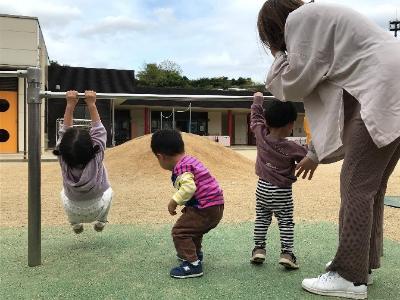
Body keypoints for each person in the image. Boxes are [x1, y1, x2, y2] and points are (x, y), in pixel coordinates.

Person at [257, 0, 400, 299]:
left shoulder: (299, 21)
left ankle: (348, 275)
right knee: (371, 188)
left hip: (383, 86)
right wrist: (316, 152)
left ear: (274, 27)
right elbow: (334, 92)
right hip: (389, 83)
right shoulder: (322, 20)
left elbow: (293, 85)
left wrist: (278, 55)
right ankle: (363, 265)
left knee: (356, 186)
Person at [150, 129, 224, 279]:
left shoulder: (181, 168)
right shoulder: (190, 161)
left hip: (205, 208)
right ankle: (195, 253)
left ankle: (193, 265)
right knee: (192, 230)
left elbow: (189, 188)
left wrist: (174, 201)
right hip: (215, 206)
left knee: (180, 231)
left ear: (160, 157)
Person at [250, 92, 307, 269]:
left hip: (262, 188)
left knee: (262, 218)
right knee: (285, 221)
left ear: (267, 121)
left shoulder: (260, 134)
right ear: (291, 125)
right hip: (282, 191)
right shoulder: (293, 148)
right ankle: (287, 253)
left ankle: (259, 249)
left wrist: (257, 101)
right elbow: (307, 157)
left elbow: (255, 118)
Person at [53, 90, 112, 234]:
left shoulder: (63, 158)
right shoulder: (97, 156)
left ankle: (75, 224)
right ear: (92, 147)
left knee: (63, 192)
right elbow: (99, 129)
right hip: (97, 208)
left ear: (63, 149)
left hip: (72, 209)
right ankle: (102, 221)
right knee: (109, 190)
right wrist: (91, 103)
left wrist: (70, 105)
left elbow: (64, 130)